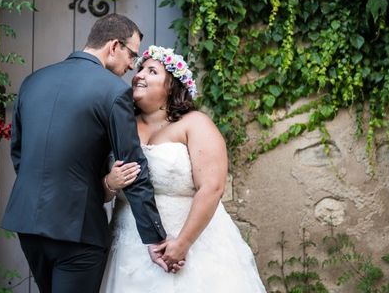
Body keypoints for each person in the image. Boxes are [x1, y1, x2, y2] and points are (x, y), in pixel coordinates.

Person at [1, 15, 182, 293]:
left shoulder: (33, 81)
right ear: (113, 46)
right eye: (132, 54)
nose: (132, 65)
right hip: (78, 231)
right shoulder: (113, 91)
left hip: (28, 225)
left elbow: (20, 155)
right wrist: (154, 238)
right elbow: (134, 167)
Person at [100, 45, 267, 292]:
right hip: (127, 247)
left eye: (152, 71)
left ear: (171, 86)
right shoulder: (117, 125)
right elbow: (96, 191)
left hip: (190, 245)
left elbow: (212, 186)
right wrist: (110, 184)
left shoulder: (195, 124)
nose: (139, 75)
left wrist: (183, 243)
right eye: (140, 69)